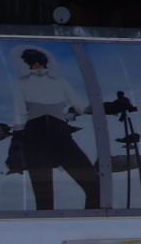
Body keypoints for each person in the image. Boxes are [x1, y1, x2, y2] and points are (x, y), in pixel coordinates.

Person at [9, 47, 102, 210]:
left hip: (61, 135)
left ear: (46, 63)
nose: (37, 66)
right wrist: (17, 136)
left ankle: (91, 222)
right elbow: (19, 110)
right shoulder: (20, 83)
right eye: (33, 63)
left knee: (92, 184)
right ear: (27, 65)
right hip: (35, 137)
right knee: (43, 195)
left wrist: (98, 108)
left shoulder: (60, 81)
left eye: (40, 62)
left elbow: (79, 105)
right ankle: (45, 231)